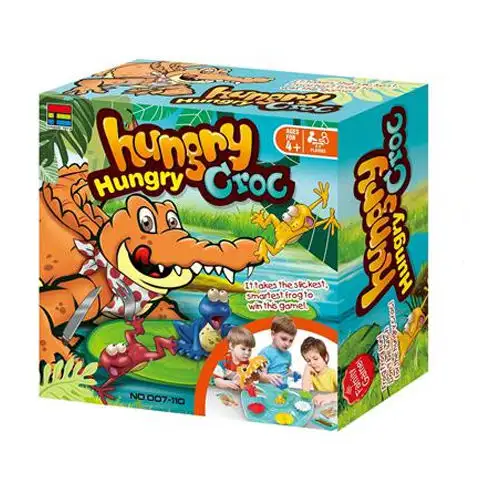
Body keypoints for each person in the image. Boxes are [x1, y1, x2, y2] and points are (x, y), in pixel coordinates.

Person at [259, 315, 297, 386]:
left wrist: (293, 374)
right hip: (267, 390)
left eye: (291, 340)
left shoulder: (288, 355)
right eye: (284, 339)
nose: (287, 343)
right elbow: (260, 376)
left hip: (283, 390)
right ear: (273, 334)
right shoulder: (265, 353)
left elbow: (286, 370)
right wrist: (268, 378)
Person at [301, 336, 337, 406]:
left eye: (315, 358)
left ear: (325, 357)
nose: (312, 363)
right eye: (308, 360)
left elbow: (342, 394)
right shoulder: (312, 373)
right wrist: (307, 369)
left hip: (333, 405)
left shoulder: (332, 373)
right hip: (321, 406)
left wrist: (327, 397)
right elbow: (305, 392)